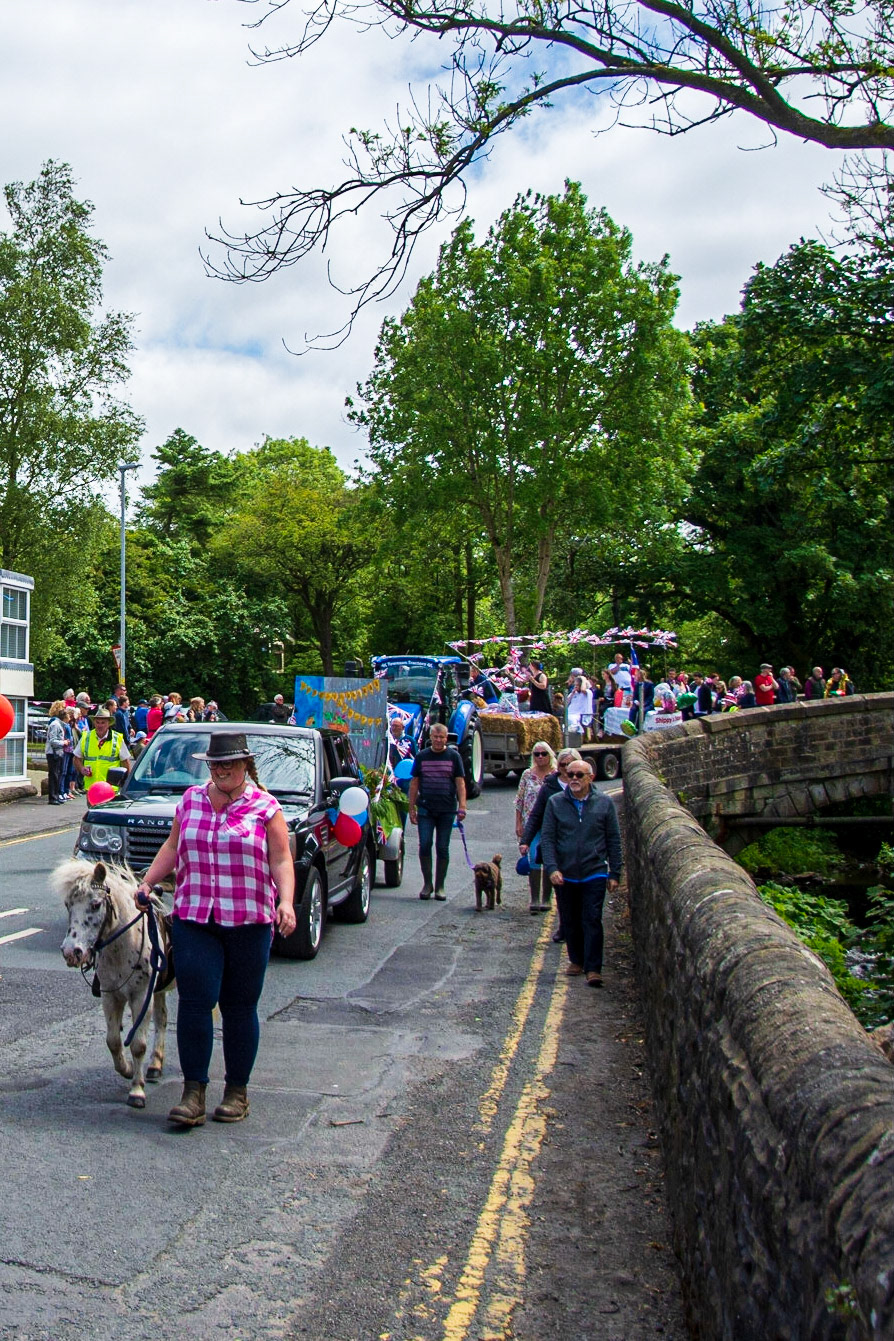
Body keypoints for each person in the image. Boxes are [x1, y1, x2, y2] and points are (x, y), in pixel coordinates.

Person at [132, 733, 296, 1127]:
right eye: (215, 765)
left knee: (239, 1007)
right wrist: (148, 882)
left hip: (249, 921)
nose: (221, 771)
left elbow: (281, 860)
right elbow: (173, 847)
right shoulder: (190, 801)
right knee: (195, 1001)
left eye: (229, 764)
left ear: (245, 766)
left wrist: (286, 902)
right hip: (195, 917)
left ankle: (237, 1092)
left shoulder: (266, 808)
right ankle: (193, 1093)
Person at [540, 759, 622, 987]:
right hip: (564, 873)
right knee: (570, 919)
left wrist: (615, 872)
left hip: (594, 871)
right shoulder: (555, 803)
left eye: (579, 775)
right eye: (570, 774)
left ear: (590, 778)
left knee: (592, 918)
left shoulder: (604, 803)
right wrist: (552, 868)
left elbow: (614, 839)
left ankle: (594, 968)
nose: (573, 779)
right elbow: (547, 838)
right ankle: (576, 960)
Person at [518, 747, 584, 943]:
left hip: (579, 845)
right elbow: (536, 814)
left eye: (571, 766)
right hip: (557, 843)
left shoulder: (585, 784)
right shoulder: (550, 786)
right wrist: (526, 840)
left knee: (579, 891)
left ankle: (577, 928)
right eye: (563, 765)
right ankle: (564, 927)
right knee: (563, 891)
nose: (567, 770)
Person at [408, 722, 466, 901]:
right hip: (426, 808)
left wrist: (462, 806)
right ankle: (427, 884)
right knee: (425, 844)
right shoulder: (422, 756)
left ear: (446, 738)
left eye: (442, 737)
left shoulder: (454, 756)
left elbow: (460, 783)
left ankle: (440, 885)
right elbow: (414, 782)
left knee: (442, 847)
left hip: (447, 809)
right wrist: (411, 807)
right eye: (436, 737)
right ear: (430, 738)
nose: (439, 740)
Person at [515, 741, 557, 913]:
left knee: (547, 858)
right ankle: (534, 898)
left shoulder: (555, 775)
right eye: (536, 754)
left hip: (551, 823)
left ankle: (546, 899)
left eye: (543, 753)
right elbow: (519, 800)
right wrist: (518, 824)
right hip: (530, 823)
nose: (540, 757)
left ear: (550, 755)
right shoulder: (527, 774)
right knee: (533, 856)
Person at [74, 707, 132, 788]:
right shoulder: (86, 737)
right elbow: (76, 758)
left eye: (103, 723)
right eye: (97, 722)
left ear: (109, 724)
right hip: (92, 787)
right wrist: (81, 768)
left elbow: (125, 762)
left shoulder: (117, 738)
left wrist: (127, 782)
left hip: (111, 788)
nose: (100, 725)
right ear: (94, 723)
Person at [44, 701, 67, 804]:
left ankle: (56, 796)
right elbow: (53, 741)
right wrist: (64, 742)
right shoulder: (55, 724)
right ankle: (53, 797)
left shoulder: (57, 724)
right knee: (54, 775)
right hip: (53, 753)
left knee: (57, 774)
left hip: (57, 752)